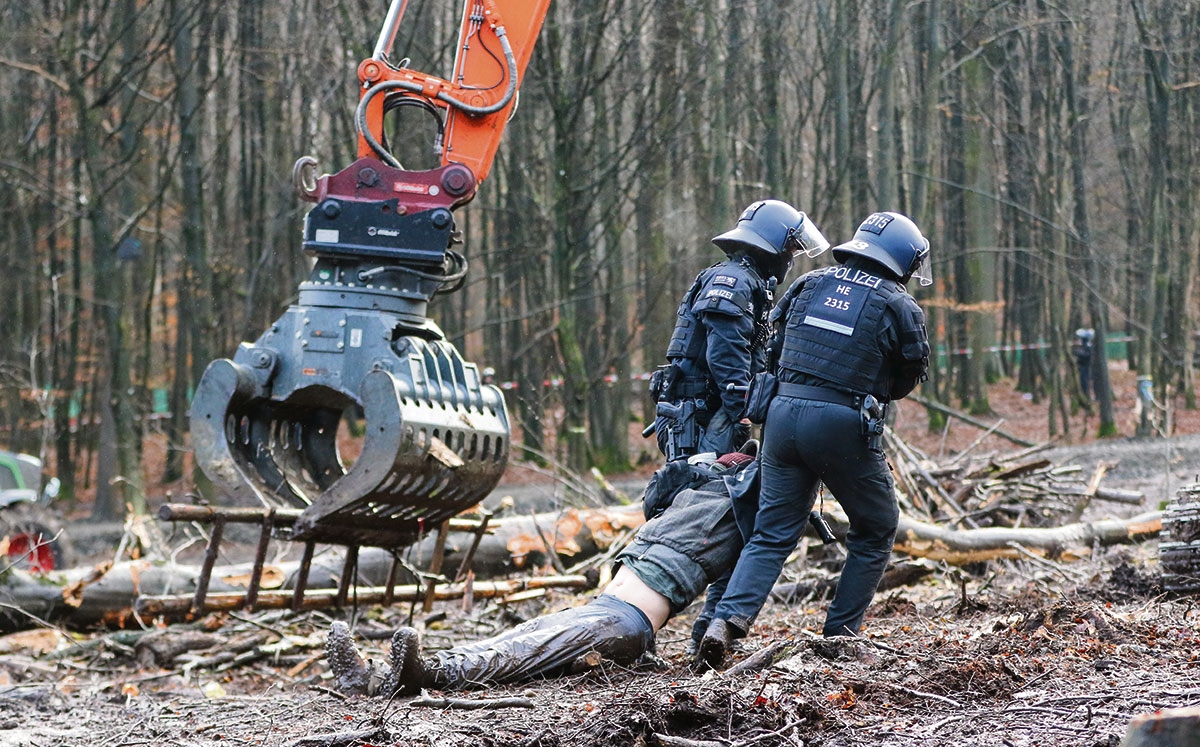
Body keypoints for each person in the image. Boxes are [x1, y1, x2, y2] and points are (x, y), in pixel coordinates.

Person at [325, 447, 763, 696]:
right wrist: (706, 463)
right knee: (507, 639)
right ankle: (370, 680)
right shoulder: (701, 485)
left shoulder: (747, 513)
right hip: (604, 609)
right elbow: (658, 489)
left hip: (624, 624)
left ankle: (423, 674)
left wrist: (706, 650)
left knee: (520, 653)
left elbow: (730, 591)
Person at [695, 211, 932, 669]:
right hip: (842, 423)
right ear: (903, 259)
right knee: (876, 527)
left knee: (771, 533)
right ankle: (840, 640)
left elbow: (774, 349)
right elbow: (906, 378)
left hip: (781, 419)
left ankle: (725, 623)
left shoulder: (808, 284)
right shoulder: (900, 304)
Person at [651, 200, 828, 461]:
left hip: (711, 409)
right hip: (701, 414)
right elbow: (726, 352)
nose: (790, 258)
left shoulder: (749, 282)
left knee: (722, 489)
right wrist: (741, 408)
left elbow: (750, 353)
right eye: (790, 249)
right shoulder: (734, 281)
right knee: (704, 490)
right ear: (770, 245)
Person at [1072, 328, 1094, 401]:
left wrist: (1078, 353)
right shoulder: (1085, 345)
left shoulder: (1089, 346)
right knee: (1083, 382)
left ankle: (1087, 396)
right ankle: (1085, 395)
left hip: (1086, 367)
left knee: (1085, 382)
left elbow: (1087, 355)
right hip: (1082, 366)